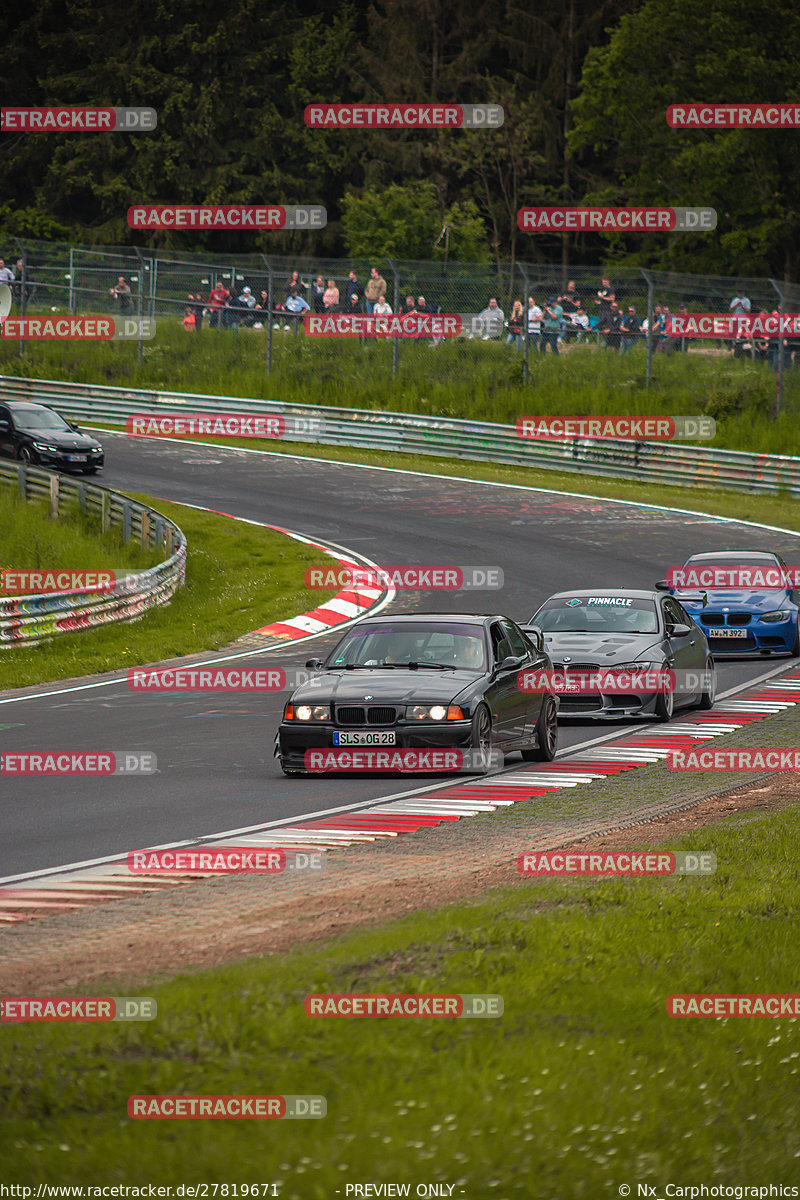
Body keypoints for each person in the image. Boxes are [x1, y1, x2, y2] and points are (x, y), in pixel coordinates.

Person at [730, 286, 751, 357]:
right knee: (734, 333)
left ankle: (742, 347)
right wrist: (736, 305)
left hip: (742, 320)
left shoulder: (746, 300)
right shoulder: (735, 300)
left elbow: (748, 311)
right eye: (739, 293)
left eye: (741, 293)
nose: (740, 294)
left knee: (742, 334)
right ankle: (733, 346)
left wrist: (742, 306)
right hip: (735, 319)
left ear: (743, 293)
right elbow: (730, 310)